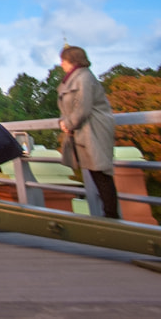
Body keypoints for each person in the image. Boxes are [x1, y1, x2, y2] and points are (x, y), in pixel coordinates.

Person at [57, 46, 119, 218]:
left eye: (63, 60)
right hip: (83, 131)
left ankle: (111, 217)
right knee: (95, 172)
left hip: (94, 130)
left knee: (101, 173)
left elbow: (83, 107)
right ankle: (109, 216)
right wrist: (64, 121)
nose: (61, 64)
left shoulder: (84, 78)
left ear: (72, 61)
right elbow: (70, 106)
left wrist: (68, 123)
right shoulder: (73, 79)